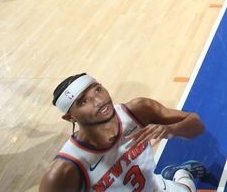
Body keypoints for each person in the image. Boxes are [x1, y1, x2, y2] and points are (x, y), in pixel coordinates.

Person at [39, 73, 207, 191]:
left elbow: (196, 125)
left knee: (186, 187)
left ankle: (180, 173)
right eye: (83, 101)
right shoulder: (64, 171)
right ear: (70, 117)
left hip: (154, 188)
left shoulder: (138, 110)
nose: (99, 100)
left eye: (97, 89)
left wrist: (169, 130)